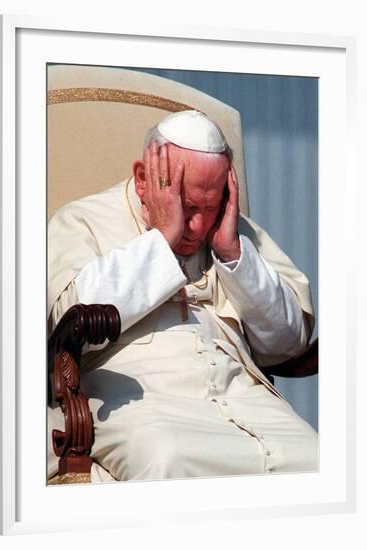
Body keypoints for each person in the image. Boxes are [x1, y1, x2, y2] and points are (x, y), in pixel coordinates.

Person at [47, 110, 318, 482]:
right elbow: (65, 317)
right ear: (144, 178)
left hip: (243, 399)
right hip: (140, 403)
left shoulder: (235, 232)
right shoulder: (82, 220)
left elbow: (288, 343)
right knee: (167, 459)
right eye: (187, 206)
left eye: (211, 208)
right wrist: (161, 241)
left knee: (317, 458)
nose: (197, 226)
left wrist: (232, 254)